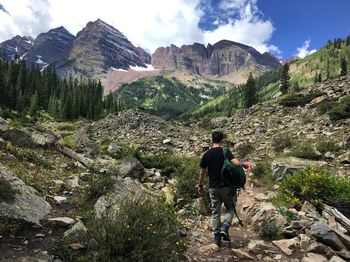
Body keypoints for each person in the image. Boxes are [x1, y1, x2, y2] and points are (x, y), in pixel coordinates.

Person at [198, 131, 240, 246]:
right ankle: (225, 227)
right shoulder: (225, 151)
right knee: (230, 208)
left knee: (215, 212)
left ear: (212, 140)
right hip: (226, 187)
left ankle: (217, 238)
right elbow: (236, 163)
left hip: (213, 188)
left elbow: (202, 172)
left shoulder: (207, 154)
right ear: (222, 140)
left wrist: (201, 186)